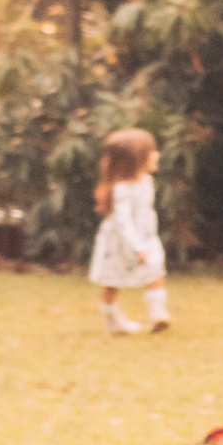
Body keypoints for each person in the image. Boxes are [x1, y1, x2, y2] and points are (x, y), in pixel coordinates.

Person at [89, 128, 169, 335]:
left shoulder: (146, 181)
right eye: (151, 151)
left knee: (155, 271)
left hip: (146, 236)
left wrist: (148, 240)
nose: (156, 154)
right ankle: (113, 321)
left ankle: (158, 314)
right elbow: (123, 221)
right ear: (135, 158)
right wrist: (137, 247)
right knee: (111, 282)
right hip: (120, 241)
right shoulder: (121, 188)